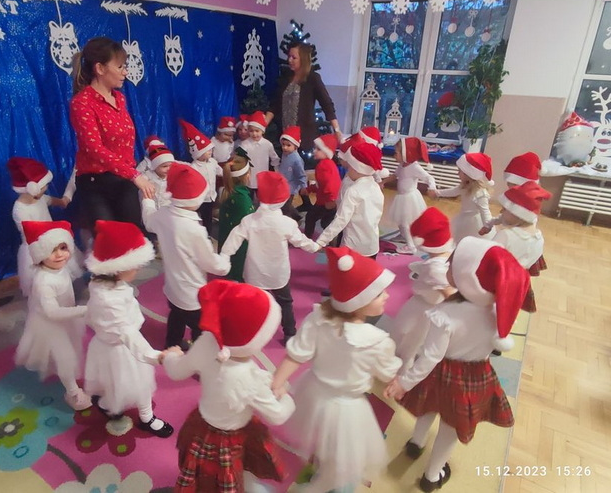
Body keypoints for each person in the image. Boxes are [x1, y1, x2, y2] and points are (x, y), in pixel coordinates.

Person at [385, 237, 529, 492]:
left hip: (439, 372)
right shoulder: (497, 312)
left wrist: (403, 382)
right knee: (449, 429)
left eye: (452, 267)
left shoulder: (445, 314)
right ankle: (432, 476)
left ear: (469, 280)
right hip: (474, 379)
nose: (447, 268)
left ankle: (416, 444)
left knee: (428, 408)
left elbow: (430, 356)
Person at [271, 246, 401, 492]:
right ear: (359, 302)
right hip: (347, 408)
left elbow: (296, 354)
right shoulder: (377, 341)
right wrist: (396, 382)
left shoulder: (318, 319)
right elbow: (386, 372)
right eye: (378, 293)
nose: (386, 296)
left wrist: (277, 382)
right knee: (345, 459)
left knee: (324, 440)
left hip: (314, 392)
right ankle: (323, 486)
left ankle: (322, 469)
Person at [163, 280, 296, 492]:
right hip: (232, 437)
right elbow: (277, 415)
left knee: (206, 474)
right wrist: (285, 394)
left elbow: (176, 371)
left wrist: (170, 357)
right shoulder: (248, 379)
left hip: (202, 426)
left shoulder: (207, 342)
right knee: (228, 478)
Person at [83, 220, 175, 437]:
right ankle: (123, 411)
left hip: (115, 345)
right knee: (129, 384)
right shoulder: (108, 299)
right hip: (121, 350)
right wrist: (156, 356)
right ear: (117, 267)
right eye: (135, 265)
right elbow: (126, 333)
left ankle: (144, 416)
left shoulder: (105, 284)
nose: (139, 269)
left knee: (123, 383)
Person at [221, 171, 319, 345]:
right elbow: (301, 241)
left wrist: (224, 256)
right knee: (285, 302)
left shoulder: (249, 221)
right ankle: (289, 333)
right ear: (283, 200)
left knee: (253, 304)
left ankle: (251, 332)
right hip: (278, 274)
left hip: (254, 274)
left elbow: (233, 239)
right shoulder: (287, 223)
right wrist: (315, 247)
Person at [69, 36, 155, 235]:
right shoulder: (82, 103)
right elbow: (93, 148)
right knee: (108, 240)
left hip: (124, 180)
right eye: (120, 67)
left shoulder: (120, 99)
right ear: (100, 68)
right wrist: (134, 175)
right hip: (96, 183)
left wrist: (130, 174)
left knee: (132, 237)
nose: (125, 72)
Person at [141, 164, 231, 349]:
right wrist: (225, 262)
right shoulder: (194, 230)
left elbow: (149, 221)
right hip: (193, 295)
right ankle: (200, 356)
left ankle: (171, 345)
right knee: (202, 329)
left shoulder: (163, 214)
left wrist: (148, 201)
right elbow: (210, 263)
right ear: (194, 200)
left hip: (173, 288)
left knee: (176, 315)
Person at [14, 220, 91, 411]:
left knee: (71, 349)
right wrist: (84, 310)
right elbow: (52, 312)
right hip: (49, 325)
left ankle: (69, 382)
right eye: (51, 250)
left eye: (63, 248)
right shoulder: (43, 281)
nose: (59, 254)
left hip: (66, 316)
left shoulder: (60, 268)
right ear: (40, 253)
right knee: (65, 358)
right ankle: (72, 392)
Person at [377, 207, 455, 374]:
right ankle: (400, 365)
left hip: (422, 308)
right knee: (409, 337)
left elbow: (449, 293)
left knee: (406, 338)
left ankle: (400, 372)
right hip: (427, 306)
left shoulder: (435, 269)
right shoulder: (447, 256)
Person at [7, 157, 76, 297]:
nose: (46, 188)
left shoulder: (41, 198)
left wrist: (66, 198)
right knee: (43, 282)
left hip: (53, 241)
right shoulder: (20, 210)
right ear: (33, 187)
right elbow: (31, 234)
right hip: (36, 246)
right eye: (44, 185)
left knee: (61, 274)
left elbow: (60, 202)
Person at [265, 42, 345, 152]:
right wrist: (262, 125)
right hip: (285, 137)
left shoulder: (313, 78)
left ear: (303, 59)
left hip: (304, 138)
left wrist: (336, 129)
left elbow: (327, 104)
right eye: (289, 56)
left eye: (294, 57)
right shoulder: (285, 78)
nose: (289, 60)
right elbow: (274, 104)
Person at [488, 181, 551, 312]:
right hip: (519, 284)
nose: (501, 211)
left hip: (498, 281)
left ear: (517, 213)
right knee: (508, 309)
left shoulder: (506, 235)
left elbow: (487, 259)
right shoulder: (539, 238)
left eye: (505, 209)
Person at [316, 142, 385, 260]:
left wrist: (321, 241)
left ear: (358, 168)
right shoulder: (376, 187)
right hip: (372, 246)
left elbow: (340, 220)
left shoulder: (353, 191)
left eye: (349, 167)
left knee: (345, 271)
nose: (347, 171)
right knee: (367, 272)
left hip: (353, 247)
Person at [382, 137, 437, 254]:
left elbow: (429, 177)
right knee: (400, 220)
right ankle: (403, 236)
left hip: (409, 198)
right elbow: (395, 176)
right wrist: (383, 182)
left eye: (396, 153)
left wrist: (432, 187)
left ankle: (411, 246)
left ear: (406, 153)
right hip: (401, 197)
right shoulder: (402, 165)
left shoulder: (414, 167)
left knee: (405, 222)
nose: (394, 156)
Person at [428, 153, 494, 242]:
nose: (457, 173)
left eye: (459, 171)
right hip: (463, 218)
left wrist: (487, 226)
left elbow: (485, 211)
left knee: (470, 241)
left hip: (474, 223)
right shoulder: (465, 186)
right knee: (458, 238)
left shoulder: (481, 193)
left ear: (468, 174)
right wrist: (437, 193)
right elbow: (453, 191)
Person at [217, 151, 255, 282]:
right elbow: (249, 221)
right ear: (247, 176)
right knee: (239, 261)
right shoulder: (242, 198)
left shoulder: (229, 190)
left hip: (227, 235)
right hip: (238, 242)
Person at [181, 119, 222, 233]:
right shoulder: (194, 167)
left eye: (211, 150)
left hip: (211, 196)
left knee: (208, 217)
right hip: (200, 198)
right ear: (199, 153)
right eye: (207, 150)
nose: (210, 152)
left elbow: (220, 171)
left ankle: (208, 234)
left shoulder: (213, 162)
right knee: (199, 217)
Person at [303, 134, 341, 239]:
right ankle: (330, 240)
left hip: (326, 201)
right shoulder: (324, 164)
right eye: (315, 148)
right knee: (323, 221)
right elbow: (321, 184)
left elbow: (332, 183)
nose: (314, 151)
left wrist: (330, 199)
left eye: (318, 149)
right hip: (325, 200)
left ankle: (308, 238)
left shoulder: (325, 165)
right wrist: (309, 189)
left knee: (314, 218)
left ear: (326, 152)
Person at [240, 111, 281, 197]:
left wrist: (277, 171)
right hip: (249, 178)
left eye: (257, 131)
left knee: (263, 197)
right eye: (251, 131)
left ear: (262, 131)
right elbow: (239, 158)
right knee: (249, 198)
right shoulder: (245, 144)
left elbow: (274, 159)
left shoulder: (267, 144)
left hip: (262, 177)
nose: (254, 134)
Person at [277, 126, 308, 222]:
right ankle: (294, 217)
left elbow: (301, 174)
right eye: (283, 145)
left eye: (288, 145)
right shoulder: (284, 154)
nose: (285, 147)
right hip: (282, 184)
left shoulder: (297, 160)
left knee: (286, 206)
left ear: (295, 146)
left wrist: (304, 186)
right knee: (284, 205)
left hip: (291, 187)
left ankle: (295, 218)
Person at [139, 142, 175, 210]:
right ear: (155, 166)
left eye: (171, 166)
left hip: (167, 209)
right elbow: (138, 178)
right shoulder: (148, 175)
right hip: (150, 208)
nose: (168, 169)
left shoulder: (173, 176)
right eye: (164, 166)